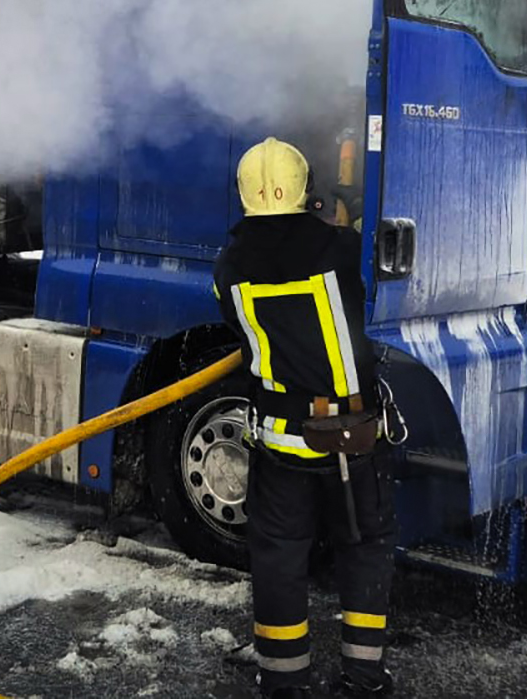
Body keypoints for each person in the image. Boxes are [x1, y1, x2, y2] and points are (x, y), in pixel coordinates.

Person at [212, 137, 396, 699]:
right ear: (304, 189)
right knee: (363, 549)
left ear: (244, 194)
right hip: (351, 436)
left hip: (281, 441)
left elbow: (241, 327)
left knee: (279, 557)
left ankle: (284, 678)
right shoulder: (342, 249)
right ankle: (363, 675)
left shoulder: (228, 267)